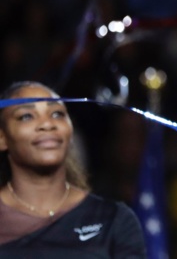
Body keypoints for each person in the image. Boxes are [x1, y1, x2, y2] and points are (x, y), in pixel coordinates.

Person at [0, 81, 147, 258]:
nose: (47, 124)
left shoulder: (114, 219)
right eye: (27, 116)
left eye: (57, 114)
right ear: (2, 137)